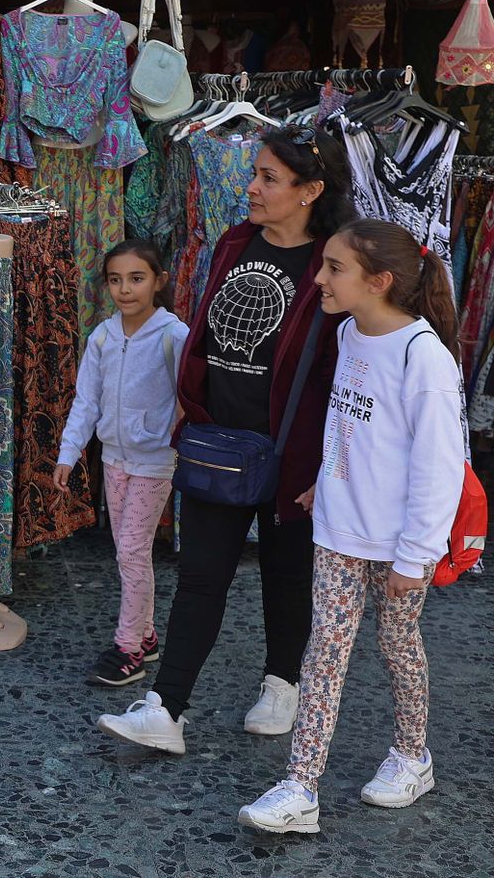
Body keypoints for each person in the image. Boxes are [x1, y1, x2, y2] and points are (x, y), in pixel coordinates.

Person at [98, 125, 355, 754]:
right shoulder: (237, 241)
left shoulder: (334, 260)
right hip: (219, 441)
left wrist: (329, 462)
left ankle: (282, 681)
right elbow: (207, 331)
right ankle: (167, 708)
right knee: (202, 575)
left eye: (269, 177)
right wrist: (193, 410)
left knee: (285, 574)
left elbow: (343, 362)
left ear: (309, 190)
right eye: (255, 173)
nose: (252, 187)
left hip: (294, 450)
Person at [239, 220, 463, 834]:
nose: (319, 278)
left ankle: (414, 756)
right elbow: (349, 427)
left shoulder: (424, 357)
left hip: (397, 545)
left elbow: (439, 465)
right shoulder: (349, 335)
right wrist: (326, 483)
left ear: (380, 281)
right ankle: (299, 787)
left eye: (334, 268)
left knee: (399, 649)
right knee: (324, 656)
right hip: (339, 529)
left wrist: (416, 555)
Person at [55, 240, 189, 687]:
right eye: (116, 280)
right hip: (114, 459)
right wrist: (69, 453)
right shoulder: (103, 336)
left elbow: (189, 398)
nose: (125, 290)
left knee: (132, 550)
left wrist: (170, 438)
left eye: (137, 278)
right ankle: (146, 636)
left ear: (158, 282)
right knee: (127, 550)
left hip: (154, 461)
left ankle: (128, 647)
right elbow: (87, 398)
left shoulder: (173, 336)